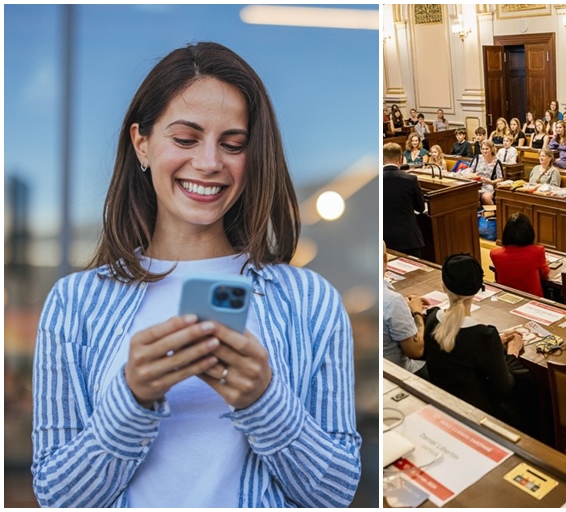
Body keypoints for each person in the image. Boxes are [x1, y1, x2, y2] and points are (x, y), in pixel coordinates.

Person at [31, 42, 360, 508]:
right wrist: (132, 400)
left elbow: (336, 494)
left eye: (233, 144)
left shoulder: (310, 300)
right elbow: (57, 498)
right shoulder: (74, 302)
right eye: (185, 139)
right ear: (141, 143)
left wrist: (264, 401)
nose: (209, 162)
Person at [423, 254, 527, 425]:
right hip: (478, 416)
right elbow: (504, 387)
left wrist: (494, 346)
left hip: (441, 405)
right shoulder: (484, 336)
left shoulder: (432, 317)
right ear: (478, 289)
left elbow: (459, 346)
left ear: (443, 286)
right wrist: (513, 352)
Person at [382, 242, 428, 377]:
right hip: (397, 376)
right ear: (385, 259)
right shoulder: (392, 301)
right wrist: (417, 312)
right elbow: (416, 351)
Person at [490, 212, 550, 297]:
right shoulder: (538, 251)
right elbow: (545, 273)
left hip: (507, 298)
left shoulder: (494, 254)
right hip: (533, 299)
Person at [383, 142, 426, 257]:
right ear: (401, 159)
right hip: (408, 239)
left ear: (382, 159)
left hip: (384, 240)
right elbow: (420, 208)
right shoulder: (410, 179)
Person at [467, 140, 503, 205]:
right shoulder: (477, 158)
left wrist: (492, 182)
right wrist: (474, 176)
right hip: (476, 184)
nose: (484, 151)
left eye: (487, 149)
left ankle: (495, 213)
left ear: (491, 149)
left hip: (488, 185)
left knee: (486, 198)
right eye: (483, 149)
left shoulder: (496, 161)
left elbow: (501, 178)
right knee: (473, 196)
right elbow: (469, 171)